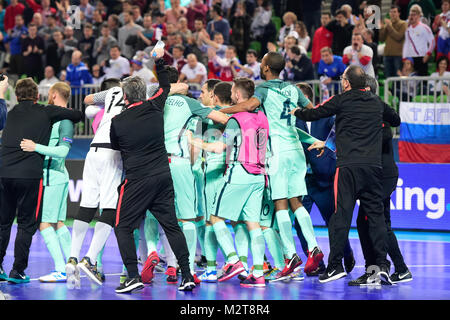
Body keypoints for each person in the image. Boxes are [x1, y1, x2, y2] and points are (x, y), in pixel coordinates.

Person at [219, 52, 324, 280]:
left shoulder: (264, 90)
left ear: (266, 68)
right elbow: (312, 111)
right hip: (296, 150)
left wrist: (220, 111)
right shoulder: (294, 89)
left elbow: (248, 105)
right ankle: (314, 247)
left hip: (276, 151)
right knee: (297, 202)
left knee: (281, 204)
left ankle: (290, 256)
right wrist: (312, 138)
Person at [292, 65, 392, 285]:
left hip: (347, 169)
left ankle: (336, 265)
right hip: (372, 169)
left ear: (346, 83)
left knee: (340, 218)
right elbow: (395, 120)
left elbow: (314, 113)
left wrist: (296, 112)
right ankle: (380, 267)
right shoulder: (377, 103)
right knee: (375, 219)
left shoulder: (341, 101)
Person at [108, 48, 192, 293]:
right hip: (162, 177)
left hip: (137, 181)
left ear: (125, 96)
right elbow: (165, 84)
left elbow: (115, 145)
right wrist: (159, 59)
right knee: (172, 225)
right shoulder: (155, 106)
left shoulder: (118, 121)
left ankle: (132, 276)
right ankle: (186, 275)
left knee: (122, 227)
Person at [0, 77, 82, 284]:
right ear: (38, 96)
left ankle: (66, 266)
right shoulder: (46, 112)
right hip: (32, 176)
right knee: (31, 224)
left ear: (16, 96)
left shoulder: (10, 114)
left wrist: (1, 92)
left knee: (6, 223)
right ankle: (19, 270)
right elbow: (77, 115)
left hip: (9, 174)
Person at [189, 77, 269, 287]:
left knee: (214, 219)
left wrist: (193, 140)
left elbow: (219, 148)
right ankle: (258, 273)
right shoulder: (262, 116)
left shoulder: (235, 119)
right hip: (259, 174)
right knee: (252, 224)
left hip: (238, 171)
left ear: (237, 94)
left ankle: (232, 261)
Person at [161, 66, 229, 285]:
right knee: (190, 218)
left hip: (156, 163)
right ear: (179, 81)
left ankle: (153, 260)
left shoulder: (153, 99)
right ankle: (187, 268)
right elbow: (222, 117)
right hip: (181, 163)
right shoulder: (190, 104)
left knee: (154, 218)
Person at [350, 75, 412, 286]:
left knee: (369, 221)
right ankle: (400, 269)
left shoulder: (380, 114)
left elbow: (384, 135)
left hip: (382, 176)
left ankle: (375, 269)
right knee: (380, 223)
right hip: (375, 176)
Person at [293, 82, 355, 277]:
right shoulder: (291, 119)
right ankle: (315, 260)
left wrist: (326, 145)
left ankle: (346, 253)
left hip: (325, 178)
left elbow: (339, 131)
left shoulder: (326, 114)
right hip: (302, 181)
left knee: (334, 222)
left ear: (306, 99)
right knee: (300, 223)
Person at [19, 82, 74, 283]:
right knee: (59, 223)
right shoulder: (60, 117)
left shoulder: (64, 119)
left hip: (52, 176)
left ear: (52, 95)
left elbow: (63, 151)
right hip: (58, 176)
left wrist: (36, 147)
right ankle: (71, 266)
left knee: (44, 224)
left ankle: (61, 269)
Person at [403, 5, 435, 76]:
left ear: (419, 16)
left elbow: (432, 42)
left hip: (422, 57)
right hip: (410, 58)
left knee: (422, 81)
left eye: (414, 15)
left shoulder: (424, 28)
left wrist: (428, 54)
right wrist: (404, 58)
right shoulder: (407, 29)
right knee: (411, 81)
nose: (412, 17)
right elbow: (406, 43)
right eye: (410, 14)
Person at [379, 5, 408, 79]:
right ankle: (388, 90)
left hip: (398, 55)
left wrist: (389, 26)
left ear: (399, 13)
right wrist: (382, 28)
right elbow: (381, 39)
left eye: (394, 12)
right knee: (387, 77)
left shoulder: (403, 24)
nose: (392, 14)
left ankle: (397, 91)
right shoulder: (388, 25)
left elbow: (399, 37)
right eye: (391, 12)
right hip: (387, 54)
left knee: (397, 78)